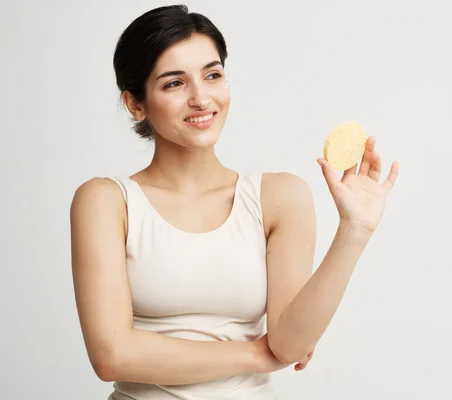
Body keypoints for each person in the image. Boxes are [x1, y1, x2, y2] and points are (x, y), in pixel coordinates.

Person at [70, 4, 399, 400]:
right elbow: (112, 356)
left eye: (213, 75)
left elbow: (290, 344)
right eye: (174, 83)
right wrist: (256, 355)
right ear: (135, 103)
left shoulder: (280, 197)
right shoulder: (106, 201)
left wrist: (354, 229)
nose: (201, 98)